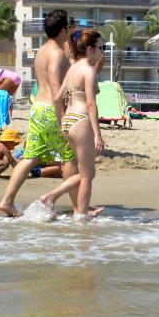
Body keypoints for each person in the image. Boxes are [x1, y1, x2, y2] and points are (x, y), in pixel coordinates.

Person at [0, 10, 78, 216]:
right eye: (67, 27)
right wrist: (63, 117)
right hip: (52, 109)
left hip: (37, 109)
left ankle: (7, 201)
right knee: (68, 158)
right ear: (62, 30)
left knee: (31, 157)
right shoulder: (57, 52)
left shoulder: (42, 50)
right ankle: (80, 208)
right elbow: (54, 84)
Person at [37, 29, 107, 220]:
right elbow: (91, 104)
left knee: (87, 173)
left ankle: (53, 197)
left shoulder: (72, 69)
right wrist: (98, 134)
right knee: (87, 176)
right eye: (101, 47)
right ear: (91, 49)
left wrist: (61, 123)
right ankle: (81, 216)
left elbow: (57, 98)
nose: (103, 51)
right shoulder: (89, 70)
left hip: (69, 121)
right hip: (82, 121)